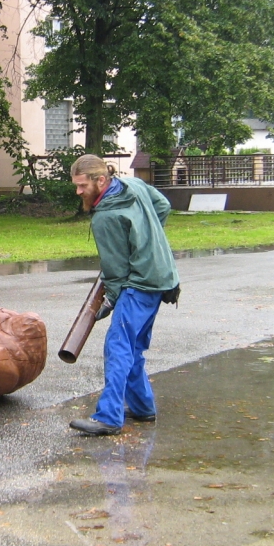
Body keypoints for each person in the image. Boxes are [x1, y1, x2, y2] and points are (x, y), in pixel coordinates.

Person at [67, 155, 180, 436]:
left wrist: (110, 301)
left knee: (118, 345)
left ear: (101, 180)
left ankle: (108, 417)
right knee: (134, 346)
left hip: (139, 284)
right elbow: (163, 207)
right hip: (163, 278)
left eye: (82, 186)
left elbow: (115, 272)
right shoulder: (135, 185)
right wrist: (147, 241)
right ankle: (143, 407)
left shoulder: (105, 217)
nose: (78, 192)